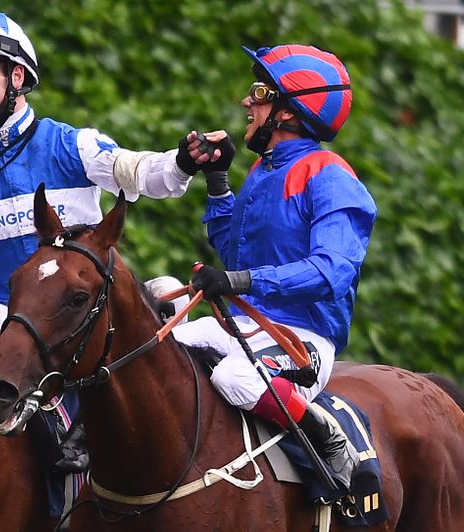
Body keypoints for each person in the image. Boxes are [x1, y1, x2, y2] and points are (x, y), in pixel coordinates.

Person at [0, 11, 207, 517]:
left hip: (82, 326)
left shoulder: (72, 144)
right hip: (4, 327)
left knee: (168, 290)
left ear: (16, 77)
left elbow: (136, 172)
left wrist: (181, 162)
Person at [172, 44, 377, 495]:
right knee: (157, 344)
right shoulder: (263, 172)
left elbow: (329, 273)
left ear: (288, 111)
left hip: (305, 339)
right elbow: (235, 256)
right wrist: (219, 181)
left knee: (235, 378)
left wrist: (241, 282)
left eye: (259, 93)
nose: (248, 103)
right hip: (246, 326)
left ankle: (328, 435)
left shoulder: (332, 177)